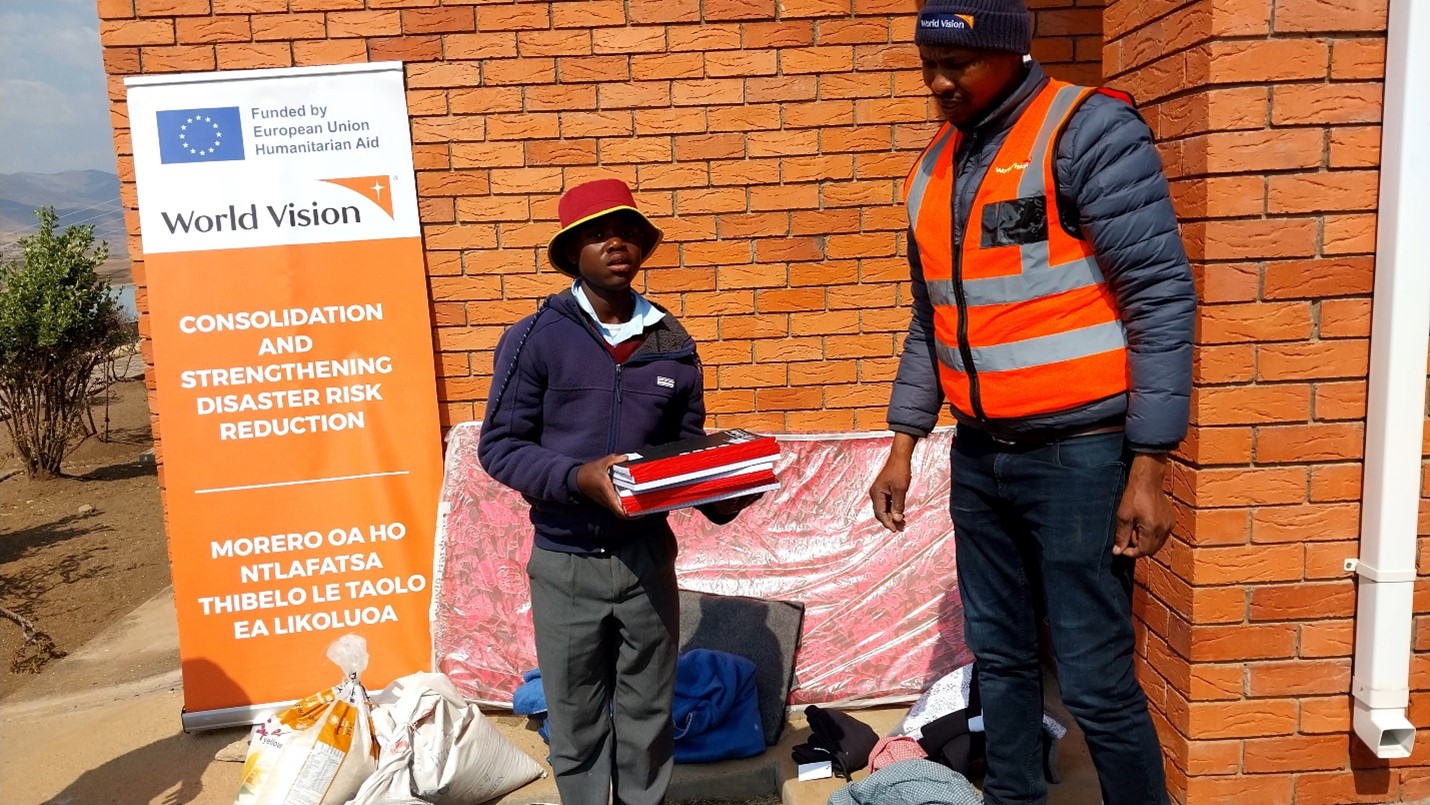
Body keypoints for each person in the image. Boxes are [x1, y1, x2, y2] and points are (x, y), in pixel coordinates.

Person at [868, 2, 1195, 804]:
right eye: (928, 66)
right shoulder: (933, 167)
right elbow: (931, 319)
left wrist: (1149, 466)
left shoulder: (1086, 133)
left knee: (1092, 676)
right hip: (980, 455)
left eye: (961, 64)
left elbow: (1159, 297)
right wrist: (904, 441)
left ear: (1012, 54)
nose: (939, 83)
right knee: (1001, 657)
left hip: (1081, 456)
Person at [477, 178, 758, 805]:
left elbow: (682, 454)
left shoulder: (673, 345)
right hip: (564, 563)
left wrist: (726, 489)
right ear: (572, 251)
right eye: (598, 234)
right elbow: (499, 446)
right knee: (575, 722)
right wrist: (577, 477)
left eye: (629, 232)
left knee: (648, 719)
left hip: (646, 563)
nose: (617, 243)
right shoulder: (535, 338)